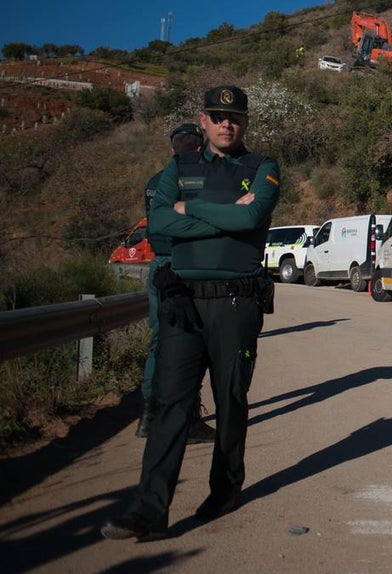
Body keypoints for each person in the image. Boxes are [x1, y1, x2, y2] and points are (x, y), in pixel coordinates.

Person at [102, 85, 280, 539]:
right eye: (218, 116)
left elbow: (251, 218)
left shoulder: (262, 167)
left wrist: (191, 208)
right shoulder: (177, 167)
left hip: (236, 304)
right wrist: (220, 213)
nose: (227, 124)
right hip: (181, 303)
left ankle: (225, 489)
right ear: (202, 120)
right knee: (168, 406)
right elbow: (159, 224)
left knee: (230, 400)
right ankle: (148, 511)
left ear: (245, 122)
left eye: (235, 116)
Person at [136, 123, 216, 445]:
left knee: (159, 340)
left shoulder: (155, 182)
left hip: (157, 267)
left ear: (172, 149)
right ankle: (189, 419)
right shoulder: (194, 180)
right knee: (191, 345)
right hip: (184, 267)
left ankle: (148, 415)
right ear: (199, 149)